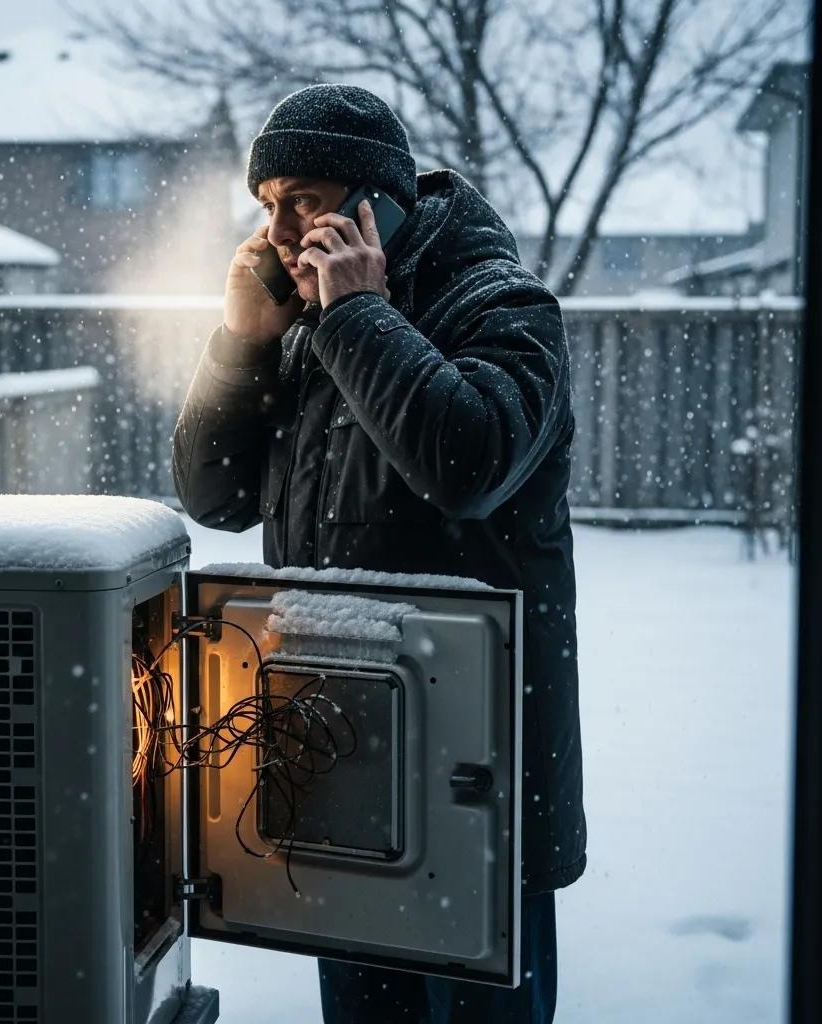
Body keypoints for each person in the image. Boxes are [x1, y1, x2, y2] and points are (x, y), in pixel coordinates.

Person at [171, 83, 585, 1024]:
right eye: (266, 203)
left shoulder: (504, 307)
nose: (277, 231)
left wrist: (360, 314)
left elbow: (467, 463)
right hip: (340, 755)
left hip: (476, 773)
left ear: (378, 207)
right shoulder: (307, 327)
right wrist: (240, 345)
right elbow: (213, 495)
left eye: (303, 201)